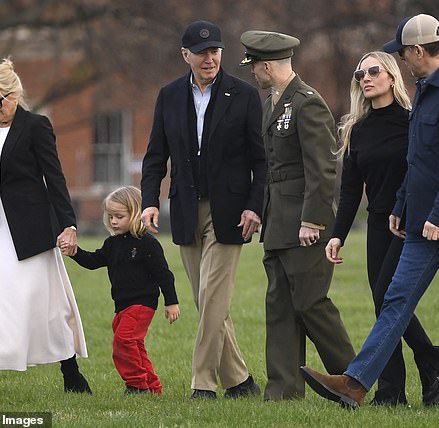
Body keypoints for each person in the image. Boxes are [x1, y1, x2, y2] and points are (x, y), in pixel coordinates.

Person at [300, 14, 439, 410]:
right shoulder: (426, 89)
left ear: (417, 51)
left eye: (402, 53)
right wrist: (401, 206)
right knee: (394, 301)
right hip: (419, 220)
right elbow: (418, 160)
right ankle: (356, 383)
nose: (402, 60)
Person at [320, 51, 439, 406]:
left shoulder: (412, 122)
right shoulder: (357, 129)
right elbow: (351, 189)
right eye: (359, 74)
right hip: (378, 224)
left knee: (388, 298)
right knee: (383, 305)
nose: (365, 78)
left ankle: (433, 363)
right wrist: (337, 234)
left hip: (409, 223)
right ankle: (394, 390)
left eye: (373, 71)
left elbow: (425, 172)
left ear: (391, 76)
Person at [140, 20, 265, 399]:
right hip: (184, 209)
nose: (209, 59)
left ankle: (203, 384)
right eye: (201, 52)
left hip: (230, 212)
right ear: (185, 56)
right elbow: (155, 156)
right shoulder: (169, 96)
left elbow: (261, 160)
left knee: (213, 297)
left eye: (215, 51)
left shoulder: (243, 94)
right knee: (205, 300)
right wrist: (148, 201)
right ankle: (240, 381)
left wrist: (254, 206)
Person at [0, 58, 90, 394]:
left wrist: (68, 225)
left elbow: (55, 178)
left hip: (31, 230)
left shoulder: (37, 126)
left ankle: (71, 376)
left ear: (14, 95)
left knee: (46, 305)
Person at [239, 30, 355, 400]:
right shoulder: (273, 103)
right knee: (280, 307)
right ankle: (283, 389)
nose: (252, 73)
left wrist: (313, 220)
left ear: (267, 65)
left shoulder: (308, 103)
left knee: (310, 303)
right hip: (277, 224)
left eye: (254, 66)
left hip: (305, 224)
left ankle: (356, 378)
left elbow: (322, 168)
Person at [60, 186, 180, 396]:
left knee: (124, 342)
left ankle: (137, 385)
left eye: (119, 216)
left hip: (142, 304)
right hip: (122, 306)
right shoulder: (112, 243)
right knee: (136, 345)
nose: (114, 221)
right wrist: (75, 253)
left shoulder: (147, 244)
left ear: (134, 214)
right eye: (111, 216)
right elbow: (94, 261)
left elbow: (165, 275)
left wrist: (171, 302)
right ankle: (152, 386)